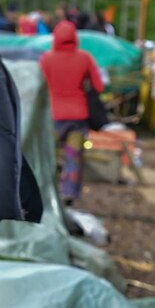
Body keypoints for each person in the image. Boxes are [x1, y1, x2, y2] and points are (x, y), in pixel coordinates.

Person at [39, 20, 104, 204]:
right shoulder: (85, 58)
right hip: (78, 116)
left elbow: (39, 87)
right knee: (73, 158)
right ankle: (69, 193)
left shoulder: (46, 59)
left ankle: (46, 192)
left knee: (47, 157)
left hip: (54, 116)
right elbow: (98, 86)